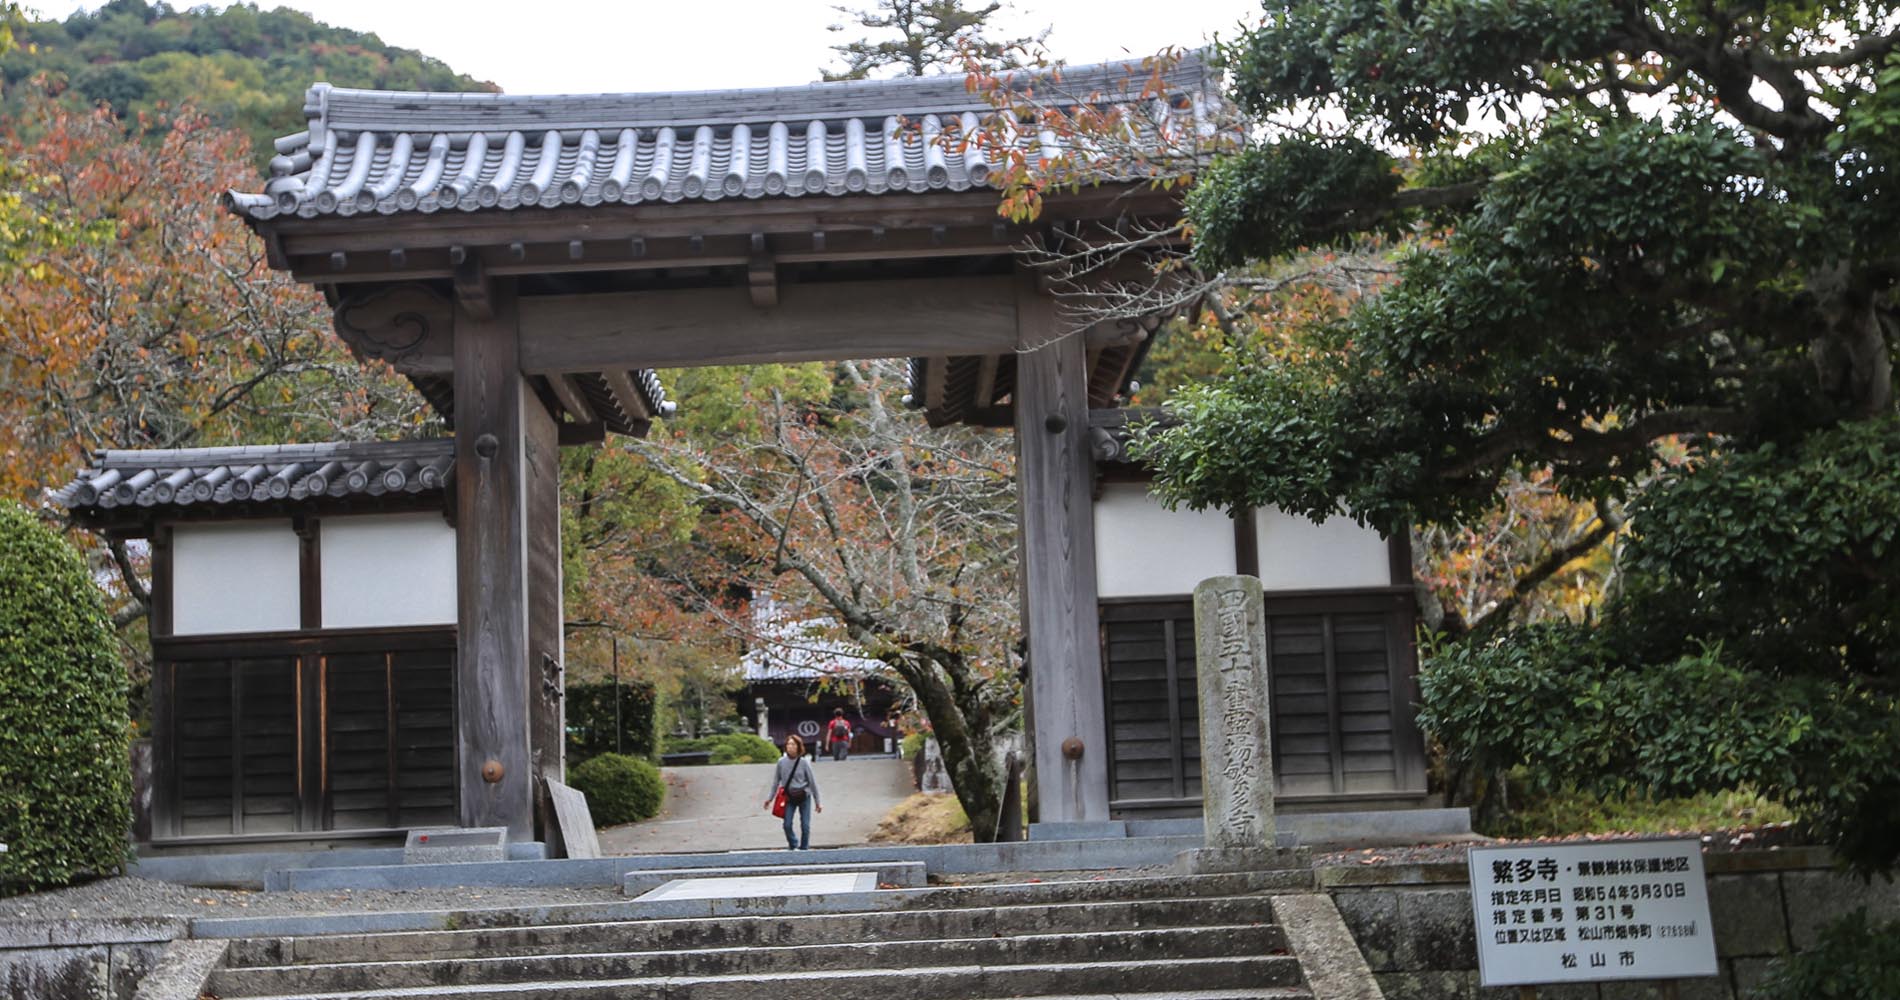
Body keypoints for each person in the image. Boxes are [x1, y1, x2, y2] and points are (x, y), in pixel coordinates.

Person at [763, 734, 821, 850]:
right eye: (788, 744)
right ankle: (793, 843)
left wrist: (818, 802)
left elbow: (812, 782)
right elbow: (776, 781)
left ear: (798, 747)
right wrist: (769, 799)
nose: (790, 747)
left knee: (805, 826)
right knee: (787, 824)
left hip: (804, 795)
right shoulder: (781, 762)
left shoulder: (804, 763)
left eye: (793, 744)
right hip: (789, 797)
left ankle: (804, 848)